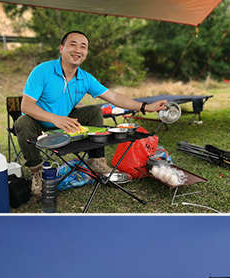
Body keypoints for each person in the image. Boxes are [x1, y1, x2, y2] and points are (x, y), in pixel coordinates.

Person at [15, 30, 166, 197]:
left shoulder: (85, 78)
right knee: (22, 123)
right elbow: (26, 106)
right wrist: (55, 119)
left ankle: (96, 160)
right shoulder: (42, 71)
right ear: (61, 48)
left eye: (83, 46)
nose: (78, 50)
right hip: (38, 123)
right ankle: (37, 172)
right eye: (72, 44)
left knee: (94, 111)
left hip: (65, 120)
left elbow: (114, 97)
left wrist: (145, 107)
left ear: (86, 53)